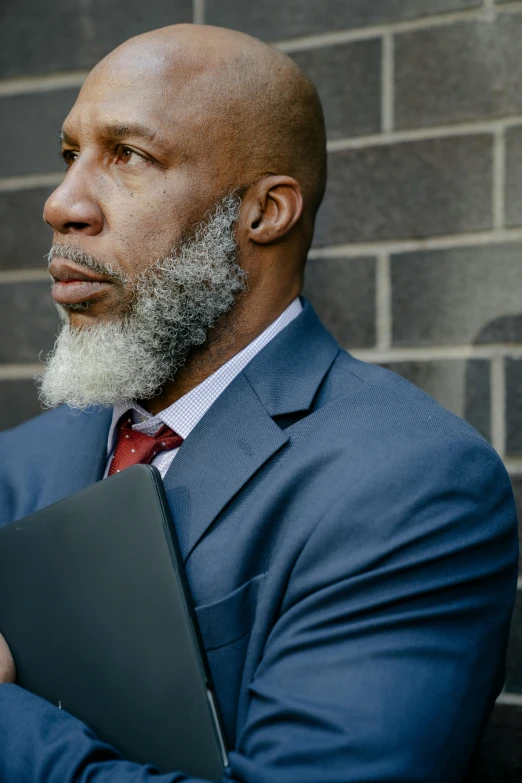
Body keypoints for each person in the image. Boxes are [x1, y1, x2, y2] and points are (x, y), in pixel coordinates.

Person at [0, 23, 517, 783]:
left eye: (129, 156)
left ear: (265, 212)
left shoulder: (414, 484)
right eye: (71, 156)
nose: (61, 204)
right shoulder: (18, 462)